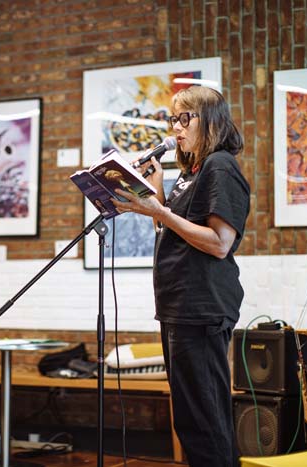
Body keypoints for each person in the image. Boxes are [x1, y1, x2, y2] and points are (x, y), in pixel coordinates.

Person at [112, 86, 250, 467]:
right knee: (190, 422)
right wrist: (157, 195)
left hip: (202, 307)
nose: (176, 128)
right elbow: (177, 232)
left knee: (205, 422)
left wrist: (159, 211)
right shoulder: (193, 171)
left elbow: (220, 243)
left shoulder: (220, 166)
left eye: (184, 118)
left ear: (210, 120)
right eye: (173, 118)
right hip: (179, 306)